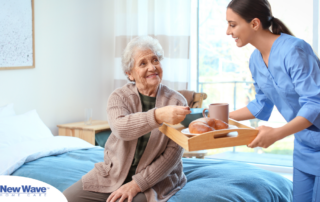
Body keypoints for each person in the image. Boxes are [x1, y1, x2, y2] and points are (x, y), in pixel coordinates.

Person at [63, 36, 191, 202]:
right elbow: (121, 128)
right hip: (114, 173)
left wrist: (136, 184)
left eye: (155, 60)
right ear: (130, 74)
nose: (152, 67)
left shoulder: (177, 101)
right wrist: (157, 115)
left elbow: (172, 155)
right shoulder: (119, 97)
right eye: (143, 63)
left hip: (157, 179)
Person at [226, 0, 320, 201]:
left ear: (254, 24)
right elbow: (260, 104)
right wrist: (216, 117)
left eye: (232, 24)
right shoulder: (255, 60)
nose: (228, 31)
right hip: (304, 145)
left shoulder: (295, 49)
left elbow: (314, 104)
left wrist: (276, 134)